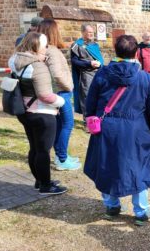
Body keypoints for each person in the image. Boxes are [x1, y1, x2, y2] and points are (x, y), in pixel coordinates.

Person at [84, 35, 150, 225]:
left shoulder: (102, 74)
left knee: (107, 165)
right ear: (136, 52)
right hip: (135, 131)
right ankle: (141, 211)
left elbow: (90, 103)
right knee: (138, 168)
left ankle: (111, 205)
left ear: (116, 51)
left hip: (107, 129)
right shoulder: (144, 78)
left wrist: (91, 121)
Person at [8, 32, 67, 195]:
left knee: (34, 148)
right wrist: (61, 102)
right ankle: (46, 186)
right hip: (42, 112)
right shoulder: (37, 66)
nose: (46, 49)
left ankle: (40, 180)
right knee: (43, 151)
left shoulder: (15, 61)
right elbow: (45, 95)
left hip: (24, 110)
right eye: (44, 46)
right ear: (35, 46)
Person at [38, 19, 80, 171]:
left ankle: (60, 155)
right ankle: (62, 159)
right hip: (61, 93)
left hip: (56, 92)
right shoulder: (52, 51)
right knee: (68, 124)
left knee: (60, 125)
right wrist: (69, 86)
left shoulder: (45, 49)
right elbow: (56, 74)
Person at [71, 24, 104, 119]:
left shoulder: (95, 45)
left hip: (98, 74)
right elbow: (74, 61)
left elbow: (100, 58)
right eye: (89, 32)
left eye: (92, 32)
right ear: (83, 32)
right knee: (87, 97)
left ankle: (97, 118)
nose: (91, 34)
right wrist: (89, 63)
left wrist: (100, 64)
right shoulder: (77, 45)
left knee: (98, 96)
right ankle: (87, 120)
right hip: (86, 75)